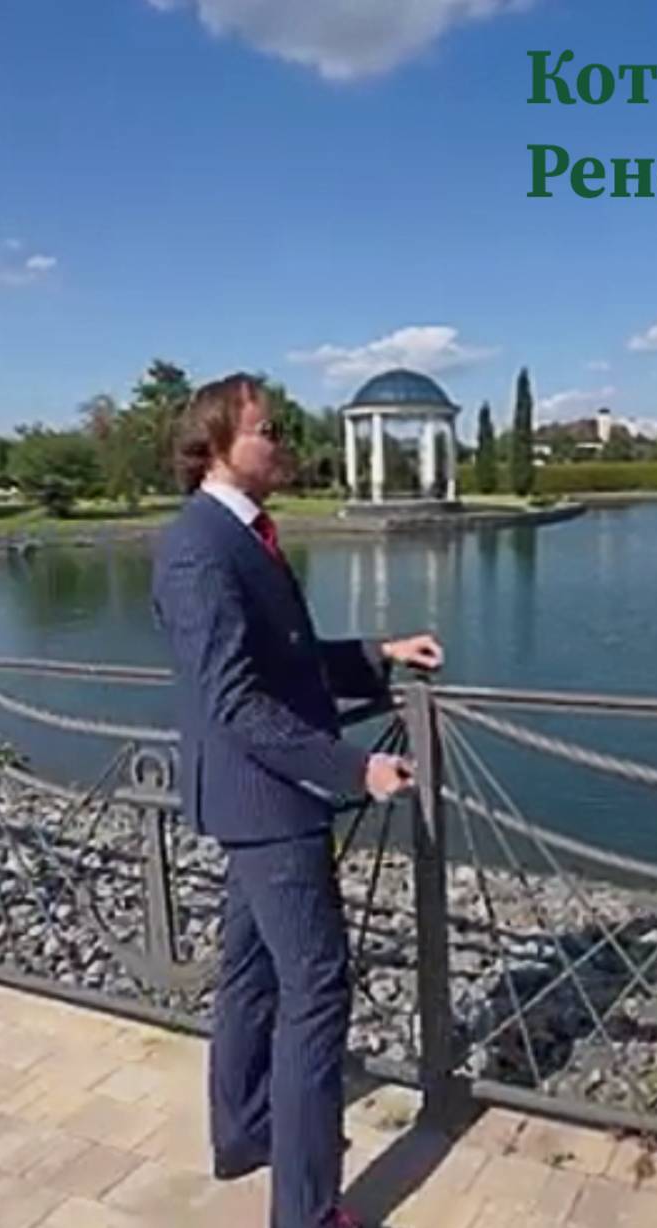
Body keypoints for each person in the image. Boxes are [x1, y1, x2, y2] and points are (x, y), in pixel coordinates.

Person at [151, 372, 444, 1228]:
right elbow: (235, 700)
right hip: (266, 803)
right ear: (214, 445)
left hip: (258, 800)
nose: (282, 442)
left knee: (250, 975)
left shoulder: (239, 532)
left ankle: (245, 1132)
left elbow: (286, 657)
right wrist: (353, 769)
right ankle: (308, 1212)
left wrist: (378, 653)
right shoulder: (200, 546)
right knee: (316, 990)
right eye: (267, 430)